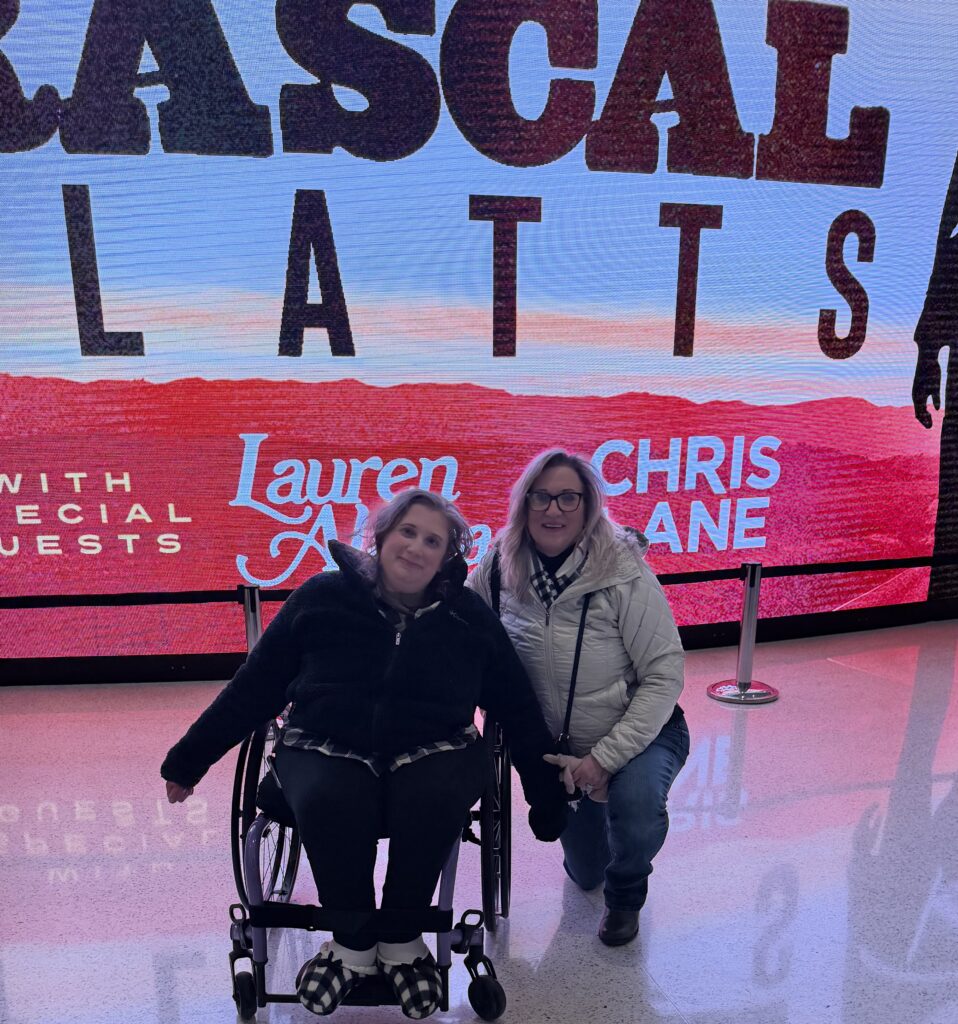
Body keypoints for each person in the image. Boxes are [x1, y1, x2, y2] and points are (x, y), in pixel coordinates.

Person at [161, 488, 567, 1018]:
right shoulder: (322, 597)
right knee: (330, 794)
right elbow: (255, 686)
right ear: (381, 537)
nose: (416, 548)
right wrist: (189, 759)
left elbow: (516, 703)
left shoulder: (467, 616)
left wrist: (544, 795)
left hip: (435, 746)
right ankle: (350, 946)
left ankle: (402, 943)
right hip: (323, 742)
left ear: (447, 557)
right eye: (407, 532)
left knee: (435, 794)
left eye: (432, 541)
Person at [469, 449, 688, 947]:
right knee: (586, 873)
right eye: (541, 497)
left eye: (569, 497)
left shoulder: (623, 570)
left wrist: (605, 759)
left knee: (635, 810)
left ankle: (626, 898)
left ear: (588, 505)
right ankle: (594, 826)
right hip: (556, 754)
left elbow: (664, 672)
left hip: (640, 734)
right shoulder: (498, 565)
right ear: (523, 504)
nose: (554, 510)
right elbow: (463, 632)